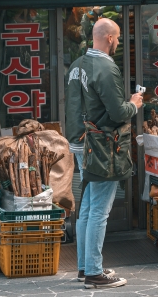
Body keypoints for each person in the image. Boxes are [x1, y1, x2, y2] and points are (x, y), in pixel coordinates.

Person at [65, 18, 143, 289]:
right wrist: (134, 104)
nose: (119, 42)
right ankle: (94, 273)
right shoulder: (106, 67)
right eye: (118, 37)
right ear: (109, 38)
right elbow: (118, 112)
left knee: (87, 206)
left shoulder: (77, 65)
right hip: (100, 144)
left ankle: (85, 266)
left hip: (79, 142)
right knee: (99, 208)